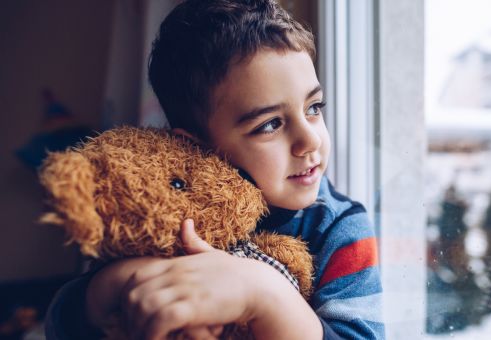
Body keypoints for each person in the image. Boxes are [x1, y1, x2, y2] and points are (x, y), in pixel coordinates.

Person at [45, 0, 383, 339]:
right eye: (270, 124)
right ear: (198, 146)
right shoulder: (172, 210)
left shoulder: (340, 227)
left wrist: (264, 294)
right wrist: (115, 284)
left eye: (314, 107)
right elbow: (60, 322)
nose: (309, 140)